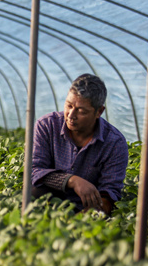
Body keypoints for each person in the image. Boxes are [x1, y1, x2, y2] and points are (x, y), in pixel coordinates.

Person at [30, 73, 129, 215]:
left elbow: (110, 192)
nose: (71, 115)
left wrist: (86, 217)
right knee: (33, 193)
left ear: (99, 112)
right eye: (68, 105)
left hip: (86, 207)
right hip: (50, 202)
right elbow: (35, 171)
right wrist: (72, 181)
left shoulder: (114, 143)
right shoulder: (47, 125)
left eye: (81, 111)